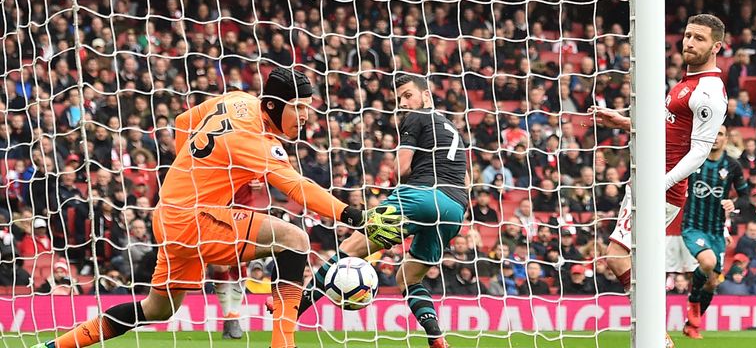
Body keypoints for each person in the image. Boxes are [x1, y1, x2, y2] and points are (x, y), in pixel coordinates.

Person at [34, 68, 400, 348]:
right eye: (299, 108)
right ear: (273, 105)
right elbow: (296, 187)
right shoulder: (254, 140)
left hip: (170, 214)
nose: (305, 117)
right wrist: (356, 217)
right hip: (194, 219)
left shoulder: (235, 99)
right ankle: (283, 341)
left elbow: (182, 122)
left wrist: (194, 172)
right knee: (295, 239)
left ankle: (55, 345)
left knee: (157, 310)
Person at [271, 74, 468, 348]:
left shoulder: (417, 118)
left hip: (420, 195)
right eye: (399, 99)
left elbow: (401, 167)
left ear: (427, 95)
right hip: (455, 208)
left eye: (408, 95)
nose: (403, 103)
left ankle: (295, 308)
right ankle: (436, 336)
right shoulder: (452, 128)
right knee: (408, 278)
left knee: (351, 247)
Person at [591, 14, 728, 348]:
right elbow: (668, 130)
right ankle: (655, 333)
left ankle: (657, 334)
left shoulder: (709, 91)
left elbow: (699, 152)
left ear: (716, 47)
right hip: (649, 181)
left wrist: (659, 184)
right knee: (634, 260)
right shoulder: (685, 83)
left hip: (662, 189)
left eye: (699, 38)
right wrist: (625, 122)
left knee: (617, 256)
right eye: (688, 35)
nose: (690, 43)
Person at [680, 124, 748, 339]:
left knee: (712, 283)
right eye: (713, 134)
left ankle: (691, 325)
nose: (715, 138)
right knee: (707, 263)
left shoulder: (733, 166)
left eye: (720, 134)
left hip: (716, 231)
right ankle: (692, 301)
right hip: (693, 226)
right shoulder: (694, 160)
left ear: (726, 138)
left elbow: (745, 197)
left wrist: (733, 202)